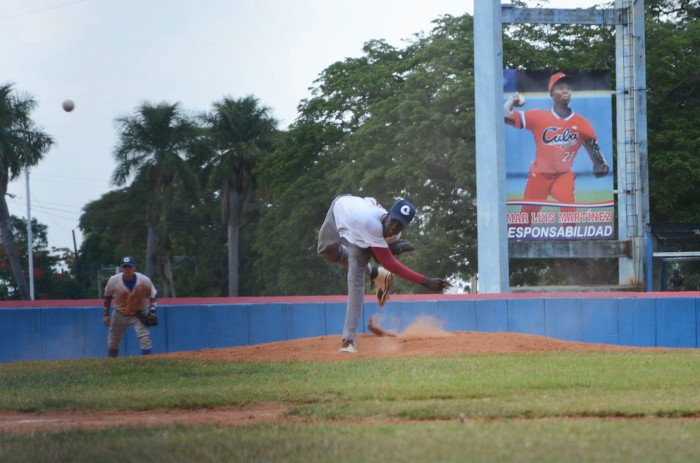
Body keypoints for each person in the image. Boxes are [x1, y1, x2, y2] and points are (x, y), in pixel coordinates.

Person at [317, 195, 451, 353]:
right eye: (393, 220)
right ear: (387, 214)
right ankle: (375, 273)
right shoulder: (369, 221)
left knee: (355, 281)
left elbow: (380, 255)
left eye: (400, 225)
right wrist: (424, 281)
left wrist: (389, 249)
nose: (394, 227)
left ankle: (349, 340)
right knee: (325, 250)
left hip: (359, 239)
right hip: (340, 212)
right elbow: (387, 263)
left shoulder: (394, 235)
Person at [504, 72, 609, 222]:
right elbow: (502, 114)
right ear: (552, 93)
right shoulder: (538, 117)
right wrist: (511, 100)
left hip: (563, 175)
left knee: (569, 209)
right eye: (560, 87)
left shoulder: (582, 123)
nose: (566, 91)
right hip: (539, 176)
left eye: (568, 88)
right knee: (523, 222)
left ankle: (571, 241)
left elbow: (593, 147)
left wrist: (600, 164)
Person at [103, 256, 159, 357]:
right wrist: (106, 314)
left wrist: (152, 311)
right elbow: (107, 297)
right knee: (113, 341)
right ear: (121, 268)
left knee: (144, 338)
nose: (127, 269)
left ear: (134, 268)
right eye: (125, 267)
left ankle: (149, 362)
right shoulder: (114, 280)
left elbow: (153, 296)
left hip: (139, 313)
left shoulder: (144, 280)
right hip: (120, 313)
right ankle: (111, 363)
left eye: (130, 266)